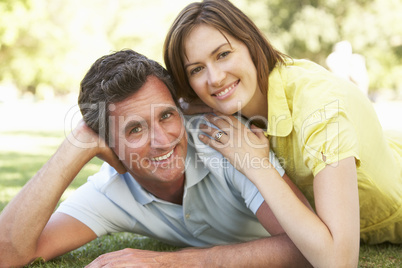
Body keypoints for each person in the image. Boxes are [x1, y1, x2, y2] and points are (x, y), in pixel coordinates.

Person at [0, 49, 313, 267]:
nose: (163, 142)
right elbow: (8, 253)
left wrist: (177, 262)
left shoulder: (227, 144)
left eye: (166, 116)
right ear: (107, 145)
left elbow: (308, 248)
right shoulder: (111, 191)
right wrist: (78, 141)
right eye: (135, 129)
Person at [163, 0, 402, 267]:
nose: (215, 78)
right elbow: (171, 105)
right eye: (196, 69)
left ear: (251, 43)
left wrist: (255, 164)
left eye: (223, 54)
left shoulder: (318, 107)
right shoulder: (230, 102)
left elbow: (339, 262)